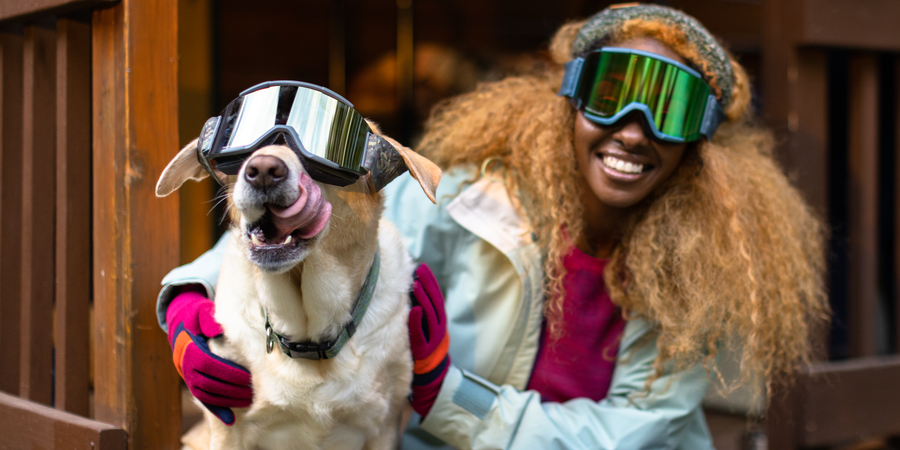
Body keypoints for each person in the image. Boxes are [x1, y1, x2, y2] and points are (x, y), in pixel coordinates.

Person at [158, 4, 829, 449]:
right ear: (567, 99)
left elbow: (619, 436)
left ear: (699, 143)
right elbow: (322, 228)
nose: (633, 128)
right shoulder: (473, 201)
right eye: (610, 91)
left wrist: (444, 392)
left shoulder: (697, 276)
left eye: (671, 109)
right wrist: (191, 301)